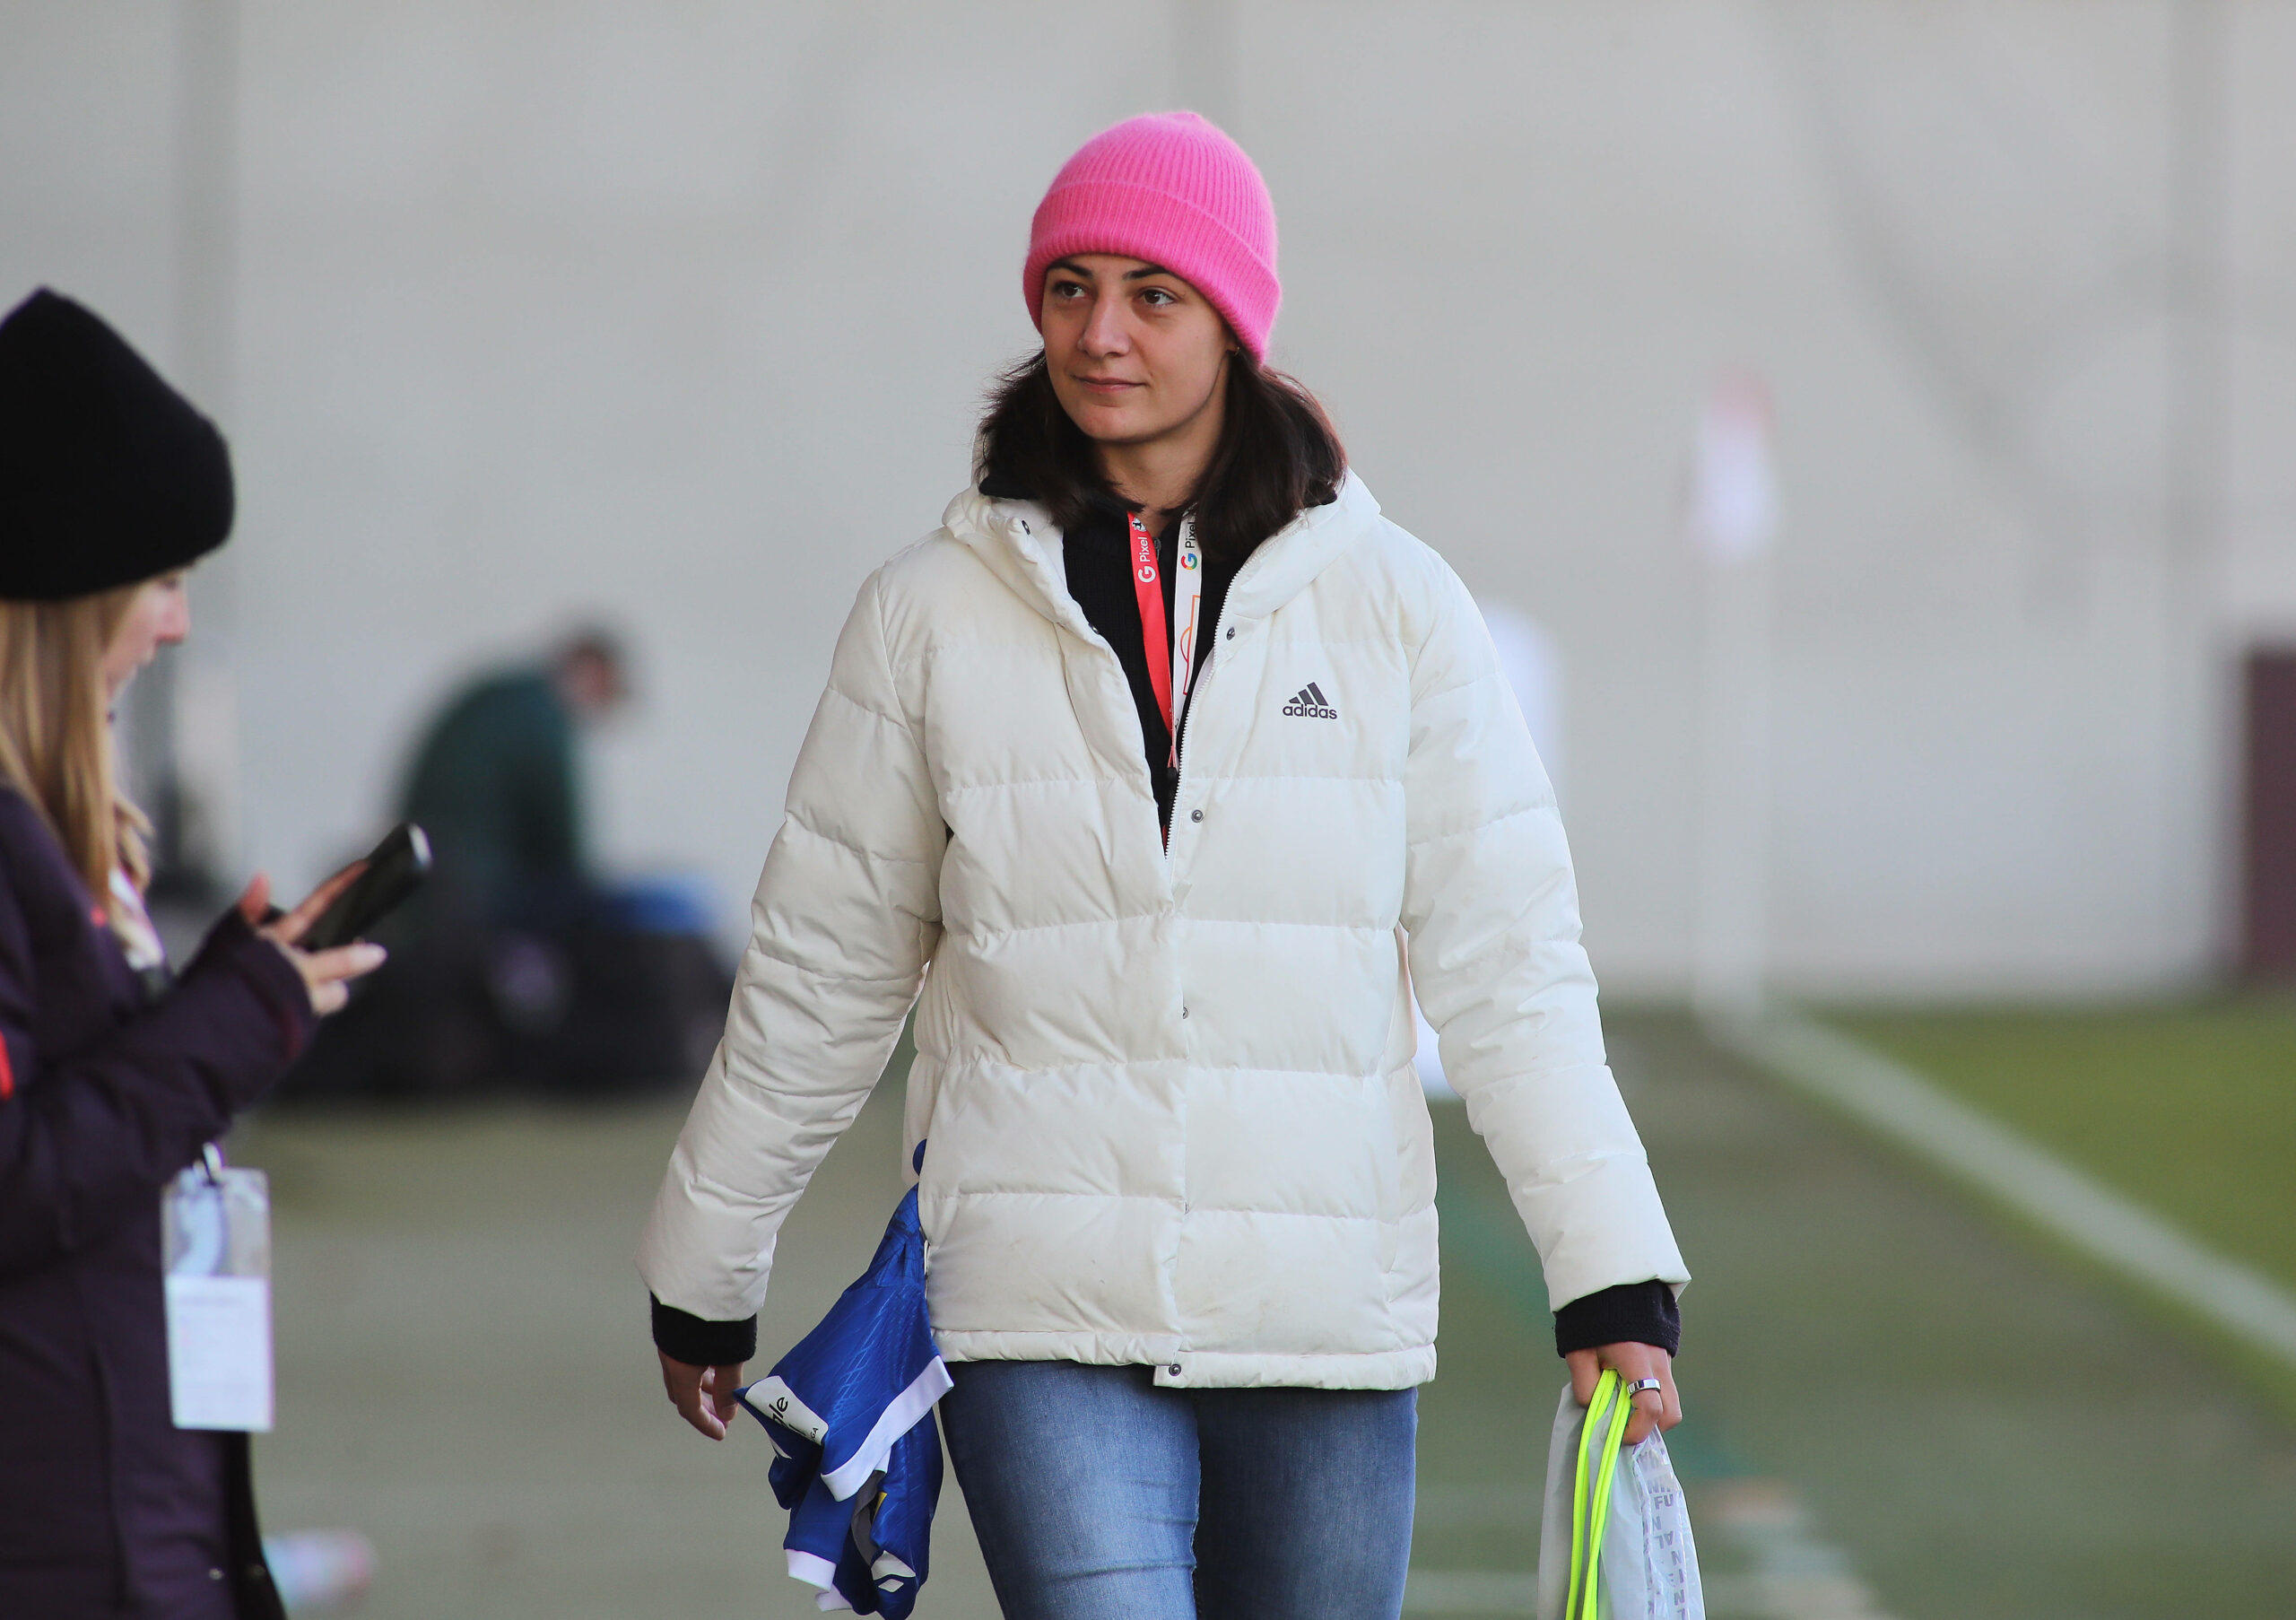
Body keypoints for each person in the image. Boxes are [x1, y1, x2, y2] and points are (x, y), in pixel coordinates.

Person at [639, 113, 1690, 1620]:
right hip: (1033, 1299)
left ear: (1235, 325)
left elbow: (1510, 965)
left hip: (1326, 1313)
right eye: (1069, 288)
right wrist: (707, 1260)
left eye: (1153, 293)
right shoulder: (927, 613)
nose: (1102, 331)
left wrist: (1611, 1276)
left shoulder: (1398, 607)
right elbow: (824, 964)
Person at [0, 288, 384, 1617]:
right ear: (61, 596)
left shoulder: (59, 834)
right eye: (158, 581)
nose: (173, 625)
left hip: (116, 1505)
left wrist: (227, 991)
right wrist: (229, 1022)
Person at [285, 630, 730, 1099]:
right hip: (477, 891)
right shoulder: (545, 717)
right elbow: (566, 855)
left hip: (429, 884)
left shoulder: (499, 698)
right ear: (595, 673)